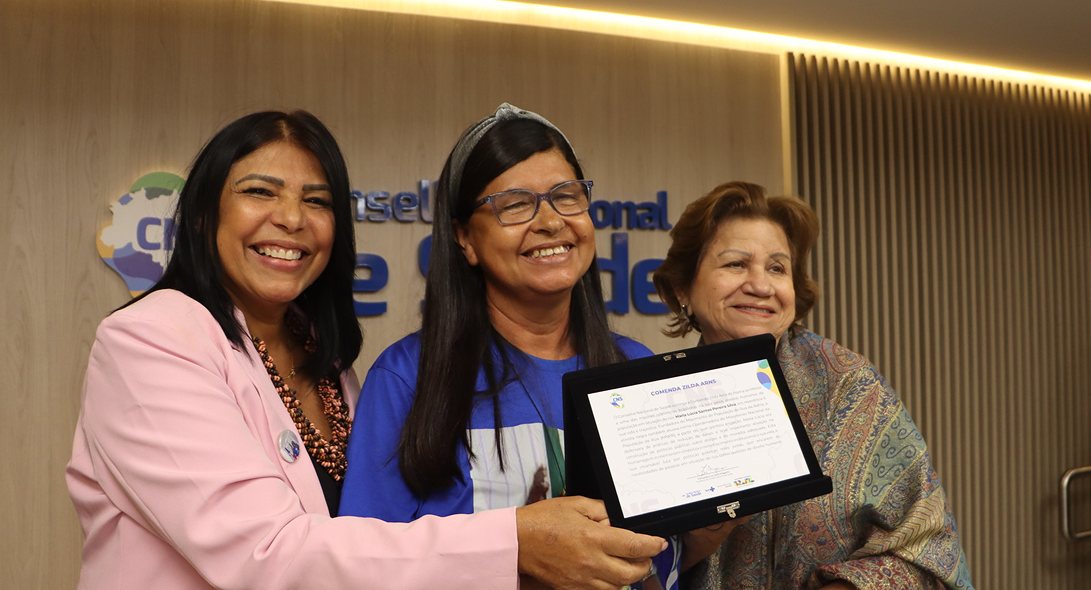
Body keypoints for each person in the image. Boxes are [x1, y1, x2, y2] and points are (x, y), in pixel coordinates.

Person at [65, 110, 666, 590]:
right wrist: (516, 544)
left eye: (318, 201)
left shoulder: (323, 360)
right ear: (201, 216)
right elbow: (265, 556)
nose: (292, 219)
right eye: (260, 192)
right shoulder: (153, 340)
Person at [339, 104, 678, 589]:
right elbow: (362, 563)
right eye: (516, 204)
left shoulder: (639, 368)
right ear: (465, 239)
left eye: (567, 196)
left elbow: (662, 562)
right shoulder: (408, 376)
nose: (550, 222)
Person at [651, 181, 973, 590]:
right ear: (683, 288)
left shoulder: (848, 385)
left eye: (777, 268)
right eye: (735, 264)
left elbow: (929, 549)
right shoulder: (654, 398)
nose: (761, 286)